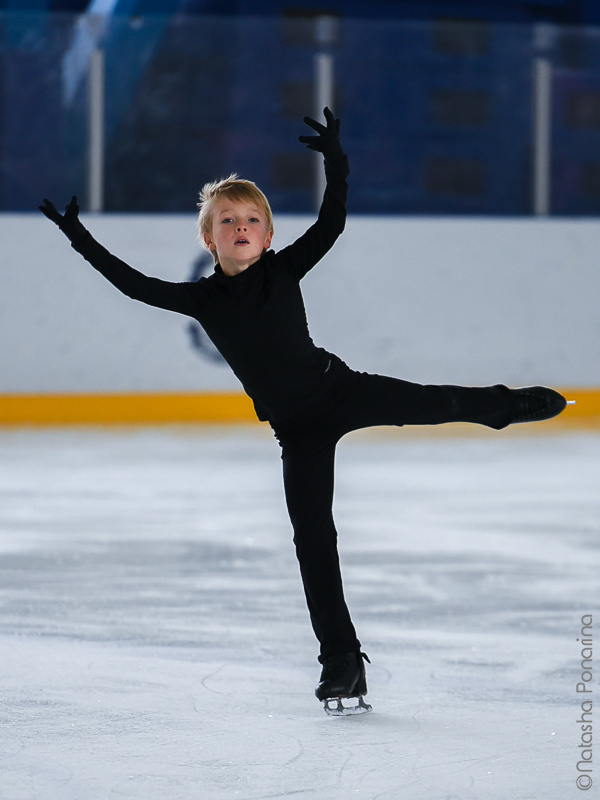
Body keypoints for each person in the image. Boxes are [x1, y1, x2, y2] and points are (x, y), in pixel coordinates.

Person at [40, 108, 567, 715]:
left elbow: (331, 222)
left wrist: (335, 161)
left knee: (435, 400)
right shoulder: (202, 299)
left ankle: (507, 406)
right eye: (228, 221)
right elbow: (133, 284)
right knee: (314, 540)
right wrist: (80, 238)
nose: (242, 227)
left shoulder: (285, 267)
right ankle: (341, 662)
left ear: (267, 235)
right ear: (210, 240)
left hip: (340, 389)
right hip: (298, 430)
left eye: (253, 220)